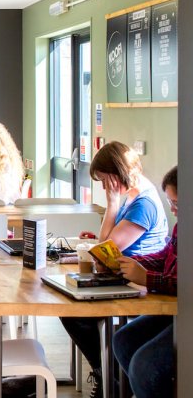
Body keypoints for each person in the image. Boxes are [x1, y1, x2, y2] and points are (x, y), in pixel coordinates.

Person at [60, 141, 169, 398]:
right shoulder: (133, 197)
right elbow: (103, 248)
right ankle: (107, 374)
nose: (103, 187)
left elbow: (106, 248)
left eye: (103, 180)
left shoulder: (144, 204)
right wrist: (101, 237)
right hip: (120, 273)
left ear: (116, 174)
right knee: (71, 308)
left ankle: (110, 378)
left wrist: (111, 205)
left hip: (137, 281)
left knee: (75, 314)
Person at [113, 165, 177, 398]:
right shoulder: (182, 227)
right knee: (123, 340)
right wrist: (130, 264)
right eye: (170, 202)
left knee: (144, 365)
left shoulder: (143, 205)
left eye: (176, 204)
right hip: (174, 309)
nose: (172, 210)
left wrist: (145, 277)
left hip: (184, 314)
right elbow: (164, 257)